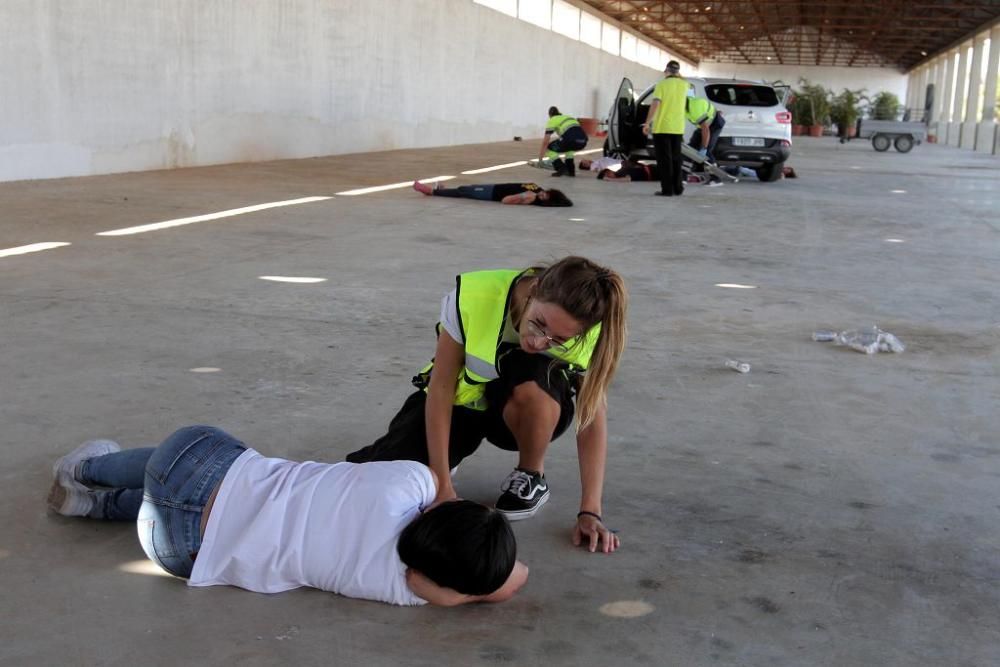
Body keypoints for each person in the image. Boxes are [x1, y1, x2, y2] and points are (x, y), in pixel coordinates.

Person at [46, 426, 528, 606]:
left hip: (190, 470)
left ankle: (85, 469)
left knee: (184, 465)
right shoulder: (398, 587)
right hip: (177, 551)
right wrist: (469, 586)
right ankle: (92, 505)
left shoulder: (411, 481)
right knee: (175, 506)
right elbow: (505, 583)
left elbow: (507, 567)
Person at [346, 256, 628, 554]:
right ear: (534, 289)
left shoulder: (594, 332)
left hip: (524, 412)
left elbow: (592, 418)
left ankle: (531, 475)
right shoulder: (474, 295)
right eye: (538, 323)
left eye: (557, 340)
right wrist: (442, 484)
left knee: (532, 370)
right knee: (379, 478)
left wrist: (590, 512)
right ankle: (446, 459)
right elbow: (441, 388)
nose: (538, 341)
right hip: (464, 402)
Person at [642, 60, 688, 197]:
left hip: (662, 127)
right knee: (676, 159)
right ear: (678, 72)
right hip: (678, 127)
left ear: (666, 71)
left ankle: (667, 190)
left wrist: (647, 123)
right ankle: (678, 188)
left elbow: (655, 104)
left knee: (664, 160)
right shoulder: (685, 85)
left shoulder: (661, 84)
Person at [412, 180, 572, 206]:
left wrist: (522, 196)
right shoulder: (536, 188)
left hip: (492, 194)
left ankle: (432, 191)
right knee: (466, 188)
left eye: (545, 198)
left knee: (463, 192)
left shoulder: (531, 198)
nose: (542, 194)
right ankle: (441, 191)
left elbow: (505, 201)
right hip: (495, 186)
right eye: (546, 193)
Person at [538, 106, 588, 177]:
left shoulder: (553, 119)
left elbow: (545, 142)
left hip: (570, 139)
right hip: (583, 141)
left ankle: (561, 168)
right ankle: (571, 171)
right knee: (569, 148)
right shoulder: (569, 118)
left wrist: (540, 159)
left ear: (550, 115)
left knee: (549, 148)